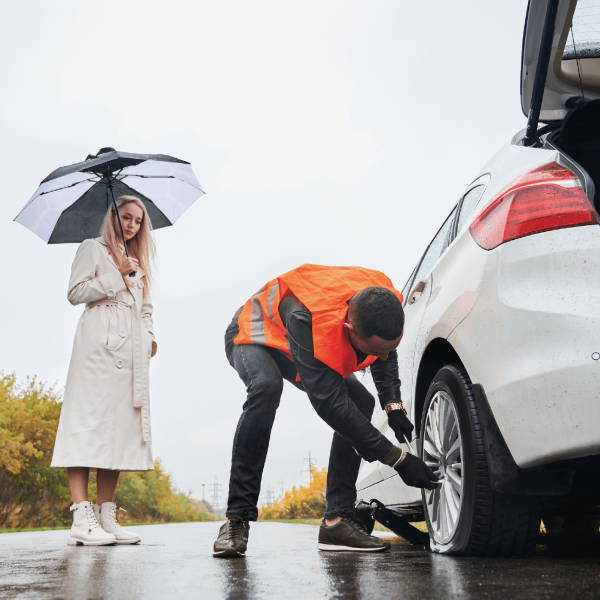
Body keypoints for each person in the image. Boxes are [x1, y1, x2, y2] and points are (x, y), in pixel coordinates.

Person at [214, 264, 438, 558]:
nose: (382, 357)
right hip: (254, 334)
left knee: (361, 401)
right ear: (349, 329)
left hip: (300, 335)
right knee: (266, 388)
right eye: (375, 350)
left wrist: (393, 404)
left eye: (388, 348)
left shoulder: (382, 301)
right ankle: (235, 520)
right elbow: (330, 405)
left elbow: (384, 353)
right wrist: (398, 459)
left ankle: (337, 521)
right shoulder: (306, 317)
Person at [51, 195, 158, 546]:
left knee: (118, 429)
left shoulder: (137, 261)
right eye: (126, 217)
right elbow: (75, 292)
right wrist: (116, 276)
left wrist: (149, 340)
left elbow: (145, 307)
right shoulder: (92, 248)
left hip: (130, 354)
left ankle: (105, 515)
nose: (131, 225)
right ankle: (81, 516)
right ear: (113, 216)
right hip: (97, 346)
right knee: (88, 422)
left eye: (138, 221)